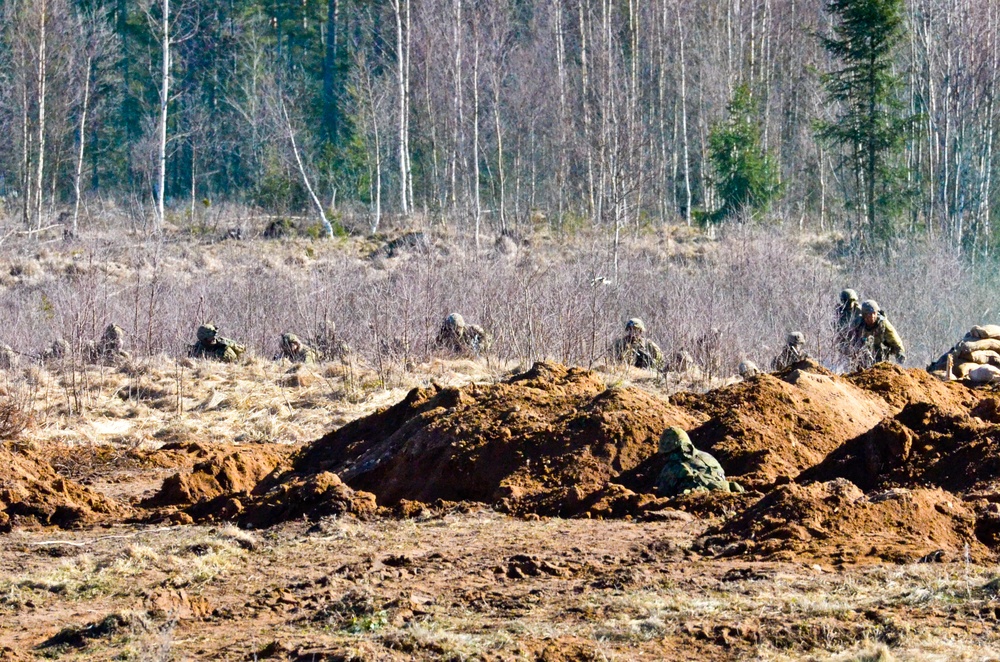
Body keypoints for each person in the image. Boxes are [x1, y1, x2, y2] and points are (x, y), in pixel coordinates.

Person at [655, 427, 743, 496]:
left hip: (697, 495)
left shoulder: (672, 467)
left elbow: (661, 492)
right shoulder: (707, 456)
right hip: (725, 488)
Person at [849, 300, 905, 368]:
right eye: (869, 314)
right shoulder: (857, 324)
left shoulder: (883, 324)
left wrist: (900, 353)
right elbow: (847, 339)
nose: (872, 316)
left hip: (880, 360)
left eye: (874, 313)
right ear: (864, 315)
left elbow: (895, 339)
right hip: (861, 359)